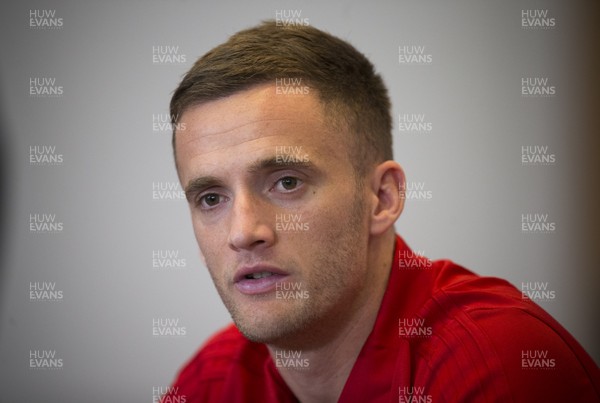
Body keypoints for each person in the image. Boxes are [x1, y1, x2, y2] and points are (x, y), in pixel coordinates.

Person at [163, 21, 599, 402]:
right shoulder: (211, 381)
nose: (242, 232)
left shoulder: (498, 365)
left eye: (287, 182)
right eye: (211, 198)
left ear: (382, 198)